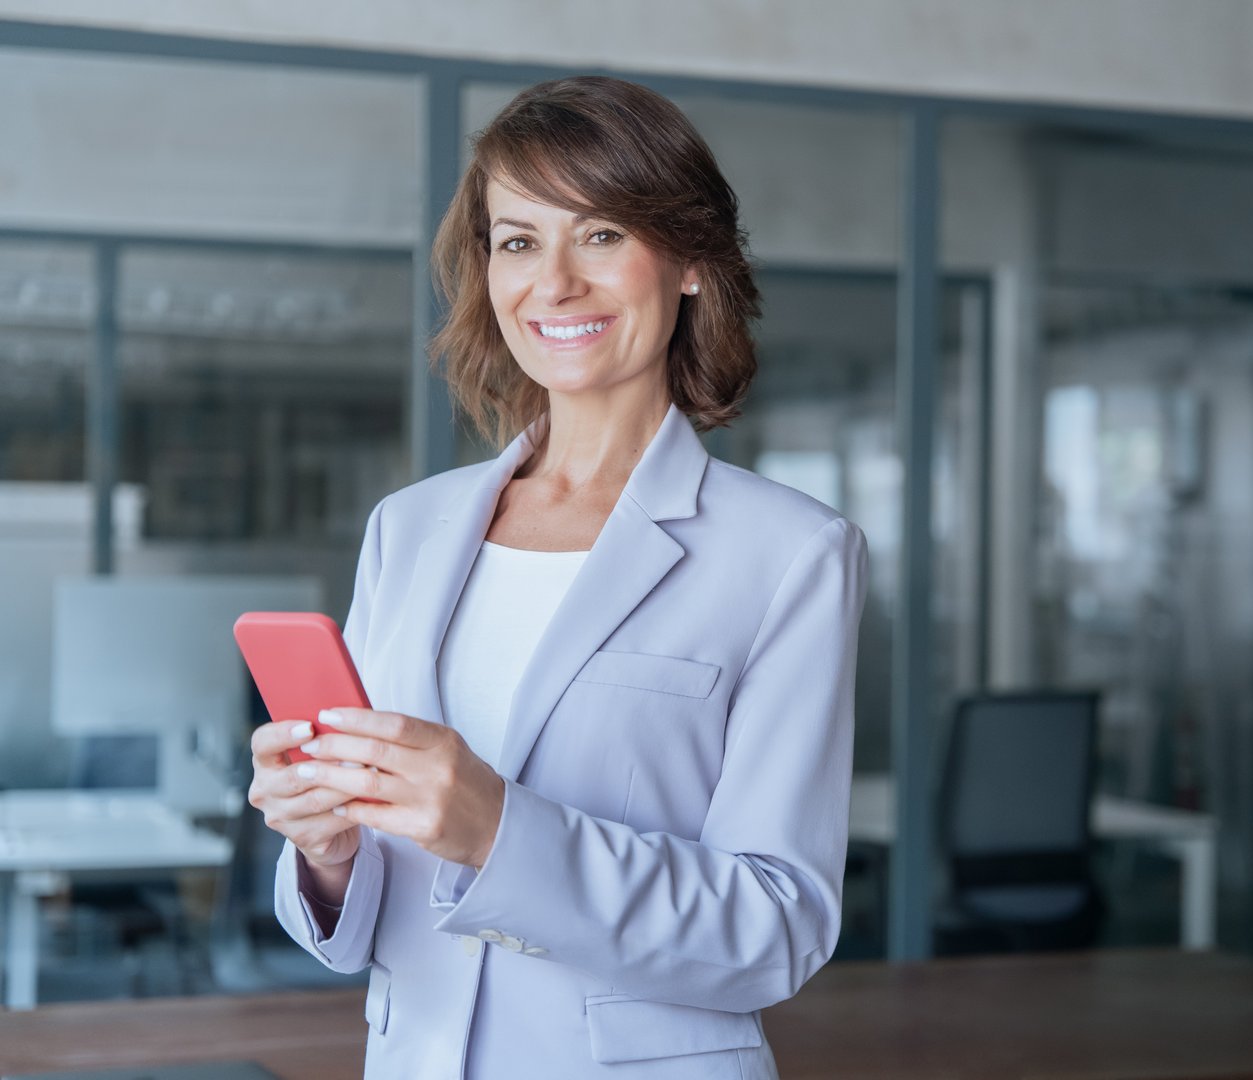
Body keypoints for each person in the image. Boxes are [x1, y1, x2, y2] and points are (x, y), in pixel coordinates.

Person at [248, 75, 869, 1079]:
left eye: (602, 234)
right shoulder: (406, 530)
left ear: (693, 261)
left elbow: (776, 928)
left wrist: (498, 830)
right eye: (519, 241)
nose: (555, 283)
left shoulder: (790, 552)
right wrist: (325, 851)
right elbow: (360, 923)